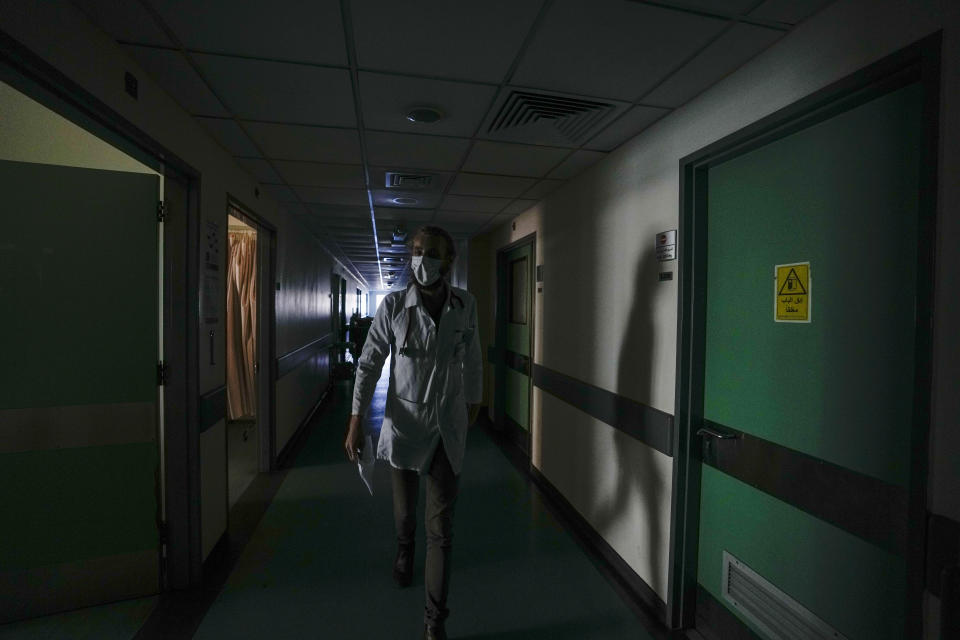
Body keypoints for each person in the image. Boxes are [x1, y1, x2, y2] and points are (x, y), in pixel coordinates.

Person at [344, 225, 482, 640]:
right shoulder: (392, 307)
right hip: (404, 426)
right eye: (418, 251)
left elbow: (473, 358)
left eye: (433, 253)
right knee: (406, 516)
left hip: (445, 426)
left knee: (440, 530)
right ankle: (404, 549)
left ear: (449, 260)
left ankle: (433, 621)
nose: (423, 260)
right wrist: (355, 419)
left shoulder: (465, 304)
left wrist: (474, 403)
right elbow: (369, 362)